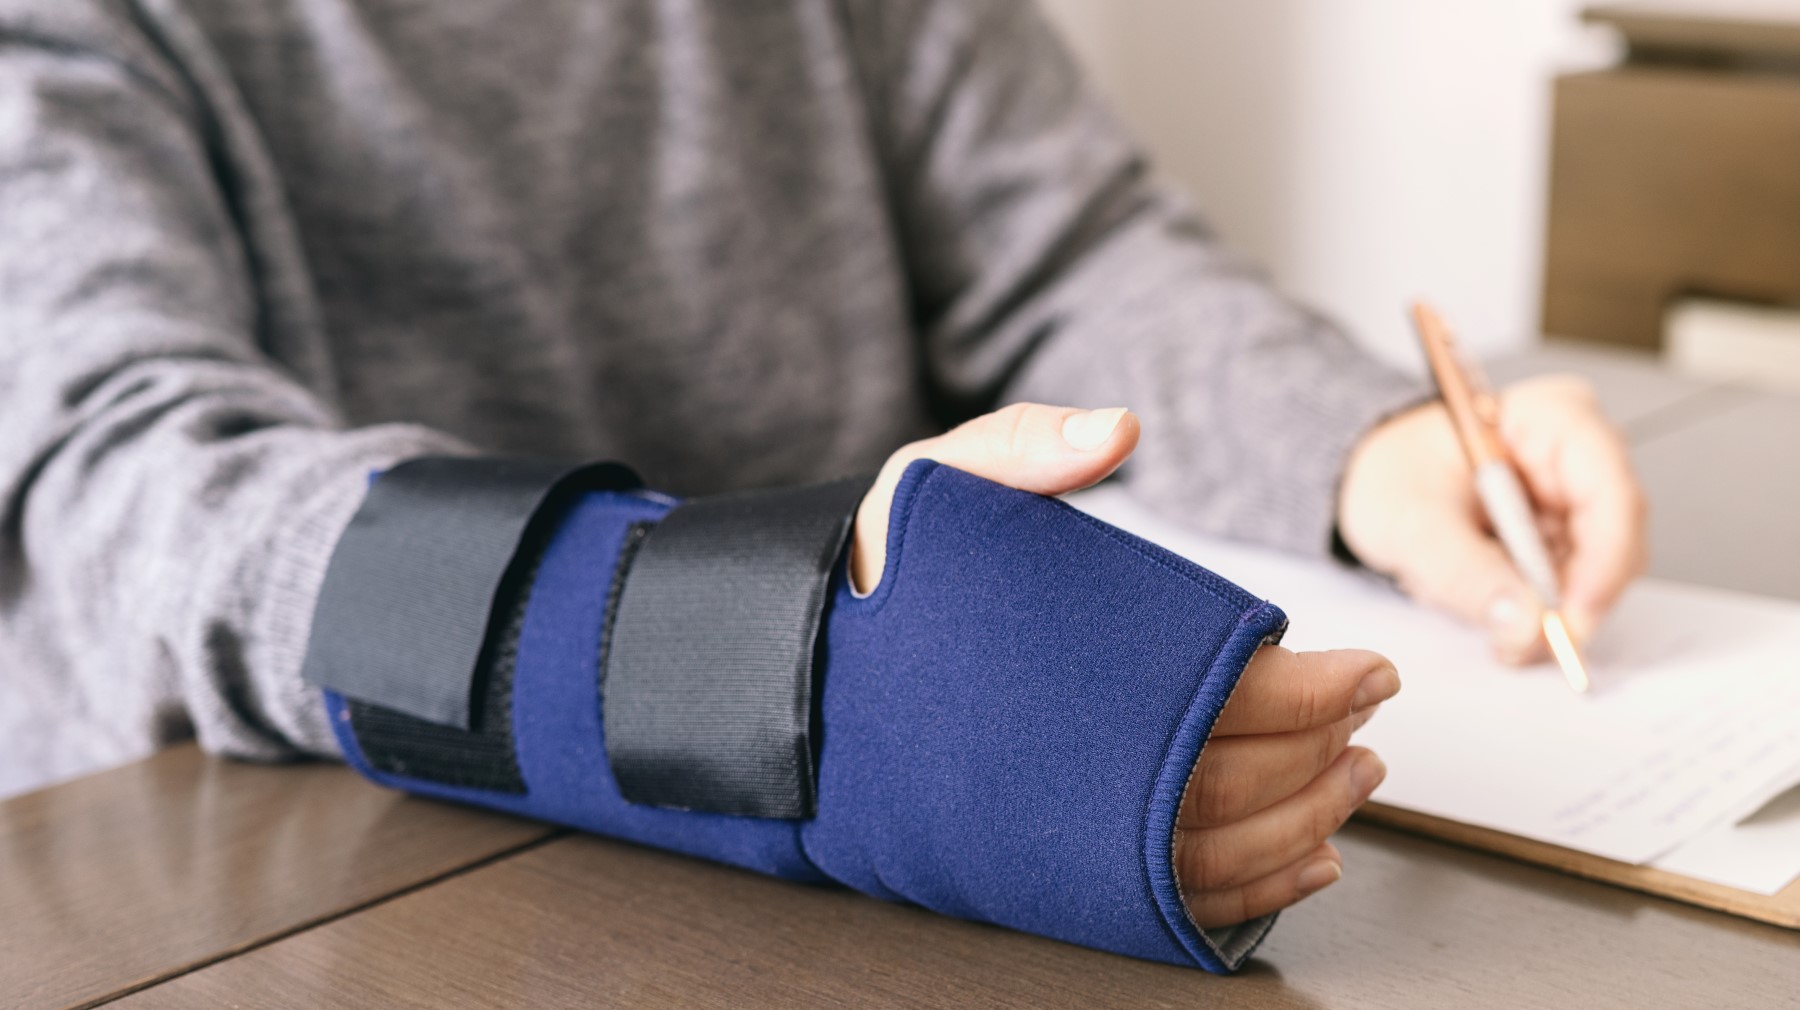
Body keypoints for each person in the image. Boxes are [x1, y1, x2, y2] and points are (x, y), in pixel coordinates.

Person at [0, 0, 1645, 970]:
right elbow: (127, 472)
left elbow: (1068, 249)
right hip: (293, 893)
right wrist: (779, 661)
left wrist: (1357, 445)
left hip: (848, 893)